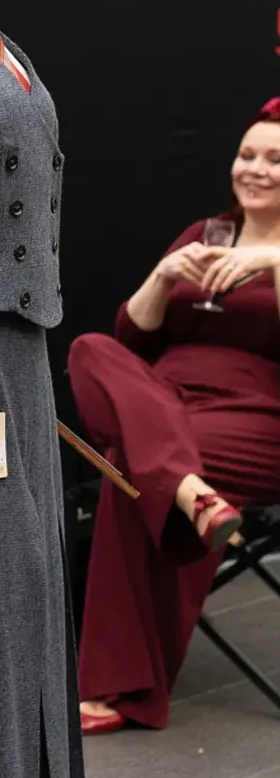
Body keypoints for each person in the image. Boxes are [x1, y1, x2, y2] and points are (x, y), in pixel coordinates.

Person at [69, 100, 280, 733]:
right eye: (247, 155)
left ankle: (121, 687)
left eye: (275, 159)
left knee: (130, 468)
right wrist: (163, 277)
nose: (256, 169)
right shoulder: (205, 232)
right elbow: (130, 340)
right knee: (90, 349)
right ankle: (190, 491)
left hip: (255, 414)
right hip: (164, 399)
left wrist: (272, 262)